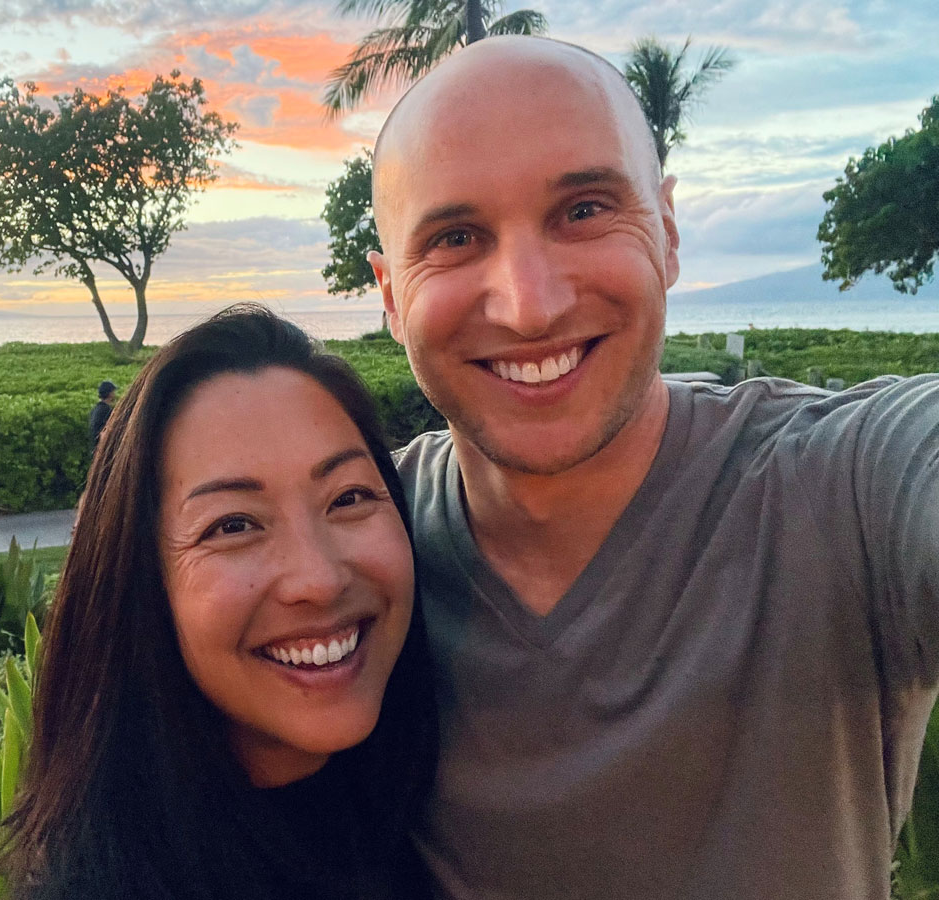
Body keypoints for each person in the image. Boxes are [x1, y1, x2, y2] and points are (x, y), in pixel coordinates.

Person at [366, 35, 939, 900]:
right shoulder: (357, 548)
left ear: (668, 230)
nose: (531, 306)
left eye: (586, 210)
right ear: (389, 297)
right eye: (454, 236)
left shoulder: (839, 488)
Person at [5, 304, 438, 899]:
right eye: (233, 525)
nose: (318, 579)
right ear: (140, 582)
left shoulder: (443, 808)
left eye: (349, 497)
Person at [89, 379, 116, 448]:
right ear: (110, 393)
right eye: (113, 391)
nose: (114, 394)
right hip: (103, 446)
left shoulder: (95, 409)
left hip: (95, 446)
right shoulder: (106, 410)